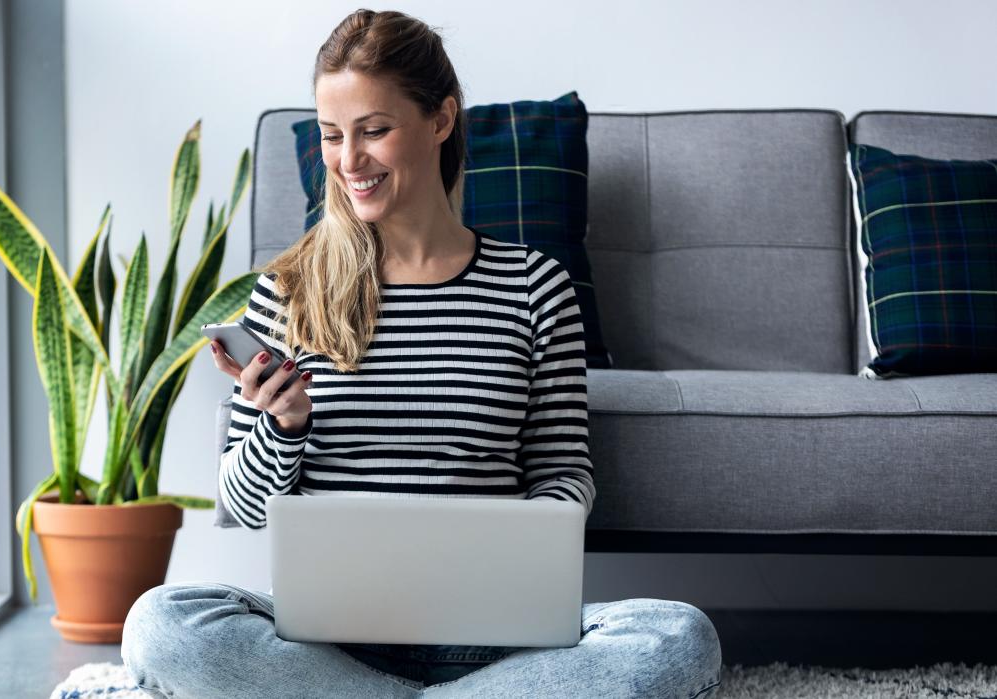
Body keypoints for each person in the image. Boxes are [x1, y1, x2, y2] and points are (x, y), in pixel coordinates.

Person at [121, 8, 722, 698]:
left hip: (494, 641)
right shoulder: (288, 291)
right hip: (325, 643)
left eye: (374, 130)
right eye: (332, 135)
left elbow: (562, 473)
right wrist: (281, 426)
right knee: (161, 623)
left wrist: (523, 543)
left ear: (441, 119)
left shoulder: (533, 286)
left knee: (677, 637)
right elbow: (243, 507)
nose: (350, 161)